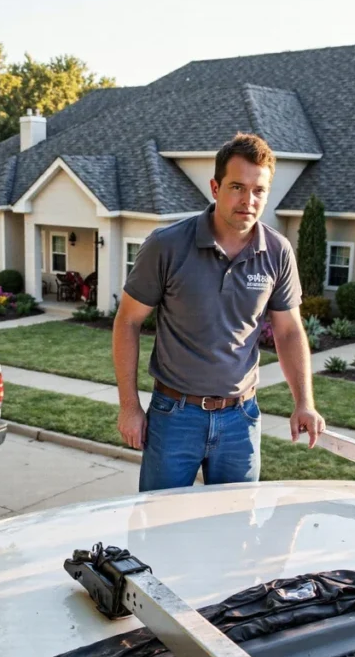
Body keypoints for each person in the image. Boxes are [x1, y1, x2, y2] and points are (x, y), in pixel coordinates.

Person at [112, 132, 325, 492]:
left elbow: (289, 331)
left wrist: (304, 402)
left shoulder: (277, 251)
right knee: (160, 523)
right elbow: (128, 321)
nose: (249, 200)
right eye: (237, 187)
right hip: (175, 415)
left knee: (235, 529)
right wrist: (130, 406)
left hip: (240, 420)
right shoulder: (167, 246)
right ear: (215, 187)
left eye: (259, 190)